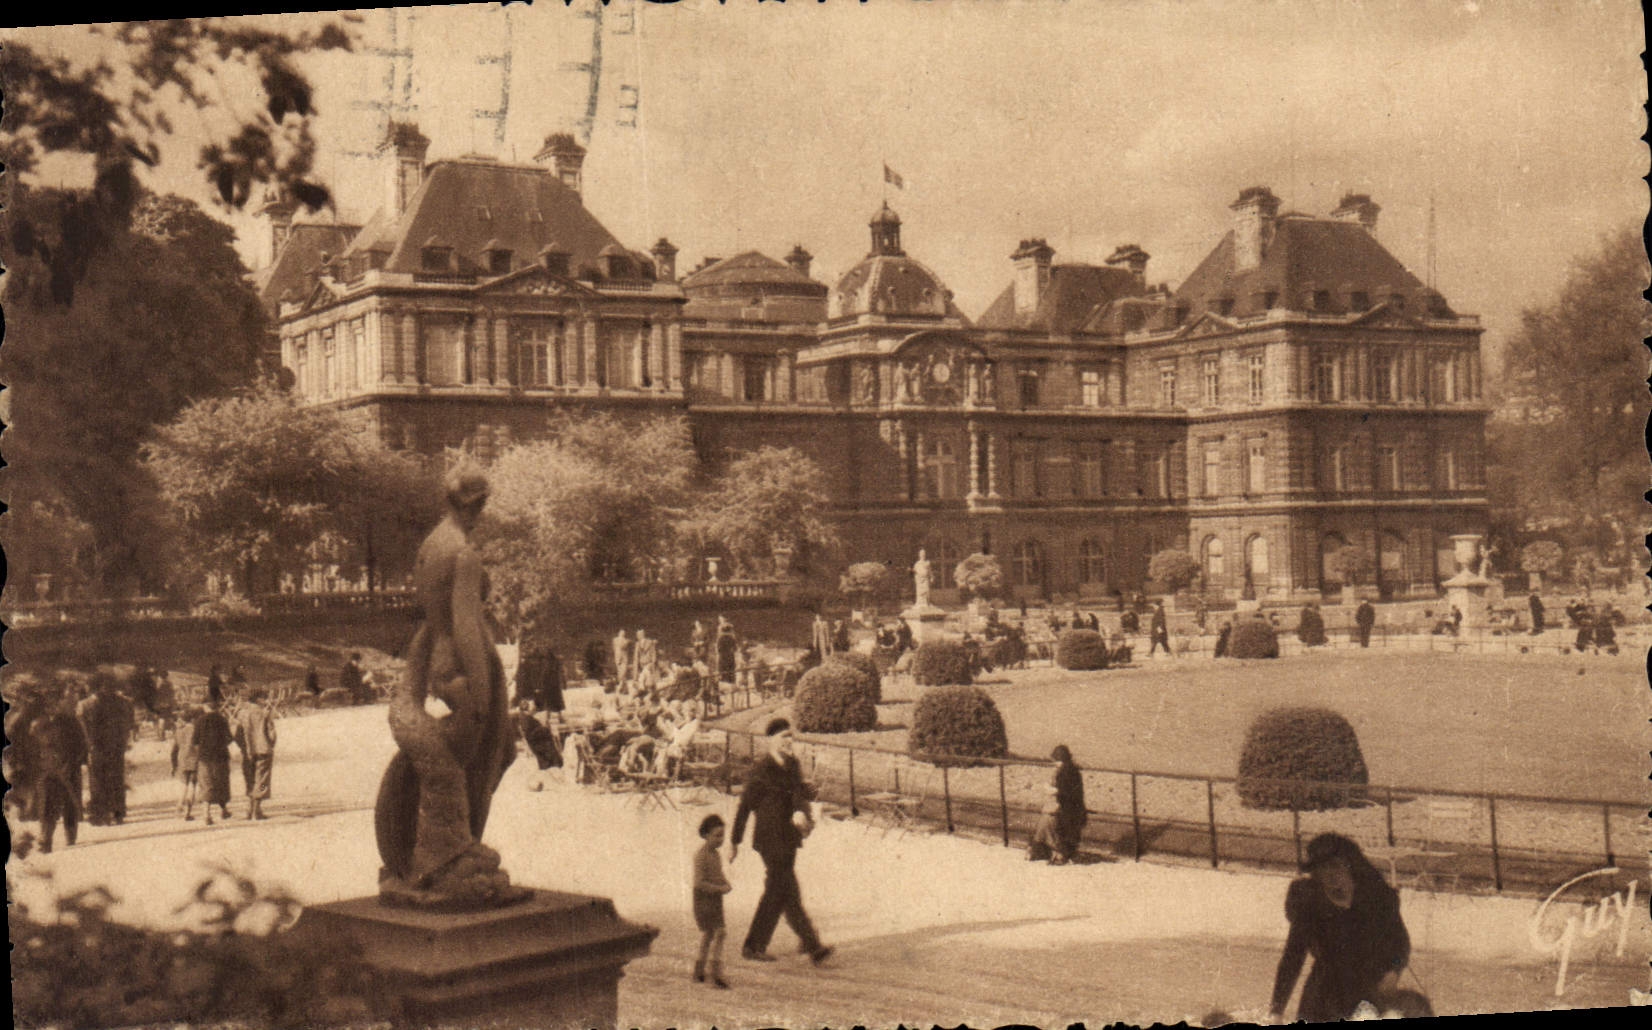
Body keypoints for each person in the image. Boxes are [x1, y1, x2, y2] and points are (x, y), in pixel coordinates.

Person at [374, 467, 525, 908]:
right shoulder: (463, 553)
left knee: (497, 754)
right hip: (466, 664)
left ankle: (459, 846)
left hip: (441, 657)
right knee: (482, 757)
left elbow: (436, 620)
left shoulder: (430, 546)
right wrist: (480, 690)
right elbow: (463, 623)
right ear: (477, 504)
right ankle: (452, 853)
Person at [1269, 833, 1411, 1023]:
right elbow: (1293, 956)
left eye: (1335, 865)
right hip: (1323, 996)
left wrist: (1393, 971)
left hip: (1369, 994)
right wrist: (1277, 1009)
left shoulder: (1377, 898)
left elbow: (1399, 941)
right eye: (1322, 868)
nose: (1330, 873)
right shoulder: (1309, 903)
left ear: (1350, 865)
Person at [731, 717, 831, 966]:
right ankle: (805, 945)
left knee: (784, 891)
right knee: (781, 889)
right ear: (771, 740)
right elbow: (745, 807)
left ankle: (802, 942)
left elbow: (798, 794)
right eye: (784, 736)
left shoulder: (793, 764)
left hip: (789, 837)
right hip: (769, 839)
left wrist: (805, 811)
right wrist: (734, 841)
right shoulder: (761, 770)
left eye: (791, 736)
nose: (789, 741)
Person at [31, 694, 88, 853]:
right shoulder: (37, 725)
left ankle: (70, 834)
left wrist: (77, 762)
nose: (53, 708)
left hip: (69, 767)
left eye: (55, 704)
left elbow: (82, 744)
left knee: (70, 801)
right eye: (49, 705)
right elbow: (32, 748)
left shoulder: (71, 722)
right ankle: (46, 839)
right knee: (48, 803)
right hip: (48, 770)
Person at [80, 671, 135, 826]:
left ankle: (101, 814)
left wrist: (88, 746)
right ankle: (117, 813)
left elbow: (83, 728)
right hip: (115, 746)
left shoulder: (85, 705)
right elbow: (128, 724)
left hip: (97, 747)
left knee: (98, 780)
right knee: (116, 777)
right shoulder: (123, 702)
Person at [693, 814, 734, 989]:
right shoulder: (701, 856)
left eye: (722, 835)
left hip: (715, 900)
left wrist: (725, 883)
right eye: (717, 835)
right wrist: (719, 888)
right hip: (703, 900)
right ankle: (716, 972)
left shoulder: (716, 855)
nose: (721, 839)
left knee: (710, 934)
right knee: (719, 933)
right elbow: (699, 882)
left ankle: (699, 971)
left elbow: (718, 873)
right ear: (705, 835)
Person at [1028, 744, 1086, 865]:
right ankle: (1044, 849)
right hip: (1067, 807)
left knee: (1049, 818)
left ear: (1062, 760)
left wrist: (1052, 790)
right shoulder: (1066, 770)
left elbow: (1066, 792)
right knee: (1047, 817)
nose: (1055, 764)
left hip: (1071, 810)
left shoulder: (1068, 771)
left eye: (1057, 761)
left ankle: (1053, 851)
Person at [234, 687, 278, 820]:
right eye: (263, 698)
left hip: (248, 752)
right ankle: (257, 809)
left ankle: (249, 808)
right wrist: (271, 745)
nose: (265, 701)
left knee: (250, 779)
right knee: (262, 780)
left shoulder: (242, 714)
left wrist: (244, 748)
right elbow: (272, 734)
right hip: (263, 750)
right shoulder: (264, 714)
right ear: (258, 699)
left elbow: (237, 735)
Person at [193, 695, 234, 825]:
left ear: (205, 706)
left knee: (206, 784)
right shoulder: (222, 719)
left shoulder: (199, 721)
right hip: (221, 756)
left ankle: (206, 814)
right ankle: (224, 810)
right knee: (221, 783)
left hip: (205, 757)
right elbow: (229, 738)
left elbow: (194, 741)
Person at [171, 705, 201, 820]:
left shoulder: (179, 731)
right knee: (193, 785)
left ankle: (179, 805)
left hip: (182, 760)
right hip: (194, 759)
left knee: (183, 784)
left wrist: (174, 765)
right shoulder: (194, 729)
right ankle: (187, 812)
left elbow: (174, 750)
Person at [716, 618, 739, 685]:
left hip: (722, 658)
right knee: (731, 673)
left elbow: (719, 649)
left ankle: (725, 686)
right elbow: (735, 648)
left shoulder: (720, 638)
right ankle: (732, 686)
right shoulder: (732, 638)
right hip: (730, 657)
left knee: (723, 673)